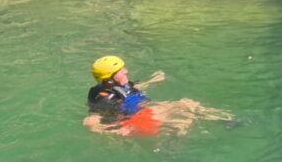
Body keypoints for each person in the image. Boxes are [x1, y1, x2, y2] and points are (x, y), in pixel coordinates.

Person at [84, 55, 231, 136]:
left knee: (190, 103)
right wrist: (119, 130)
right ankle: (176, 140)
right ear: (110, 78)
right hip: (138, 118)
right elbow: (90, 122)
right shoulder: (103, 98)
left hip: (146, 108)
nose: (126, 71)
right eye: (122, 71)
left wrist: (153, 80)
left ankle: (228, 120)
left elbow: (131, 90)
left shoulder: (119, 85)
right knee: (183, 118)